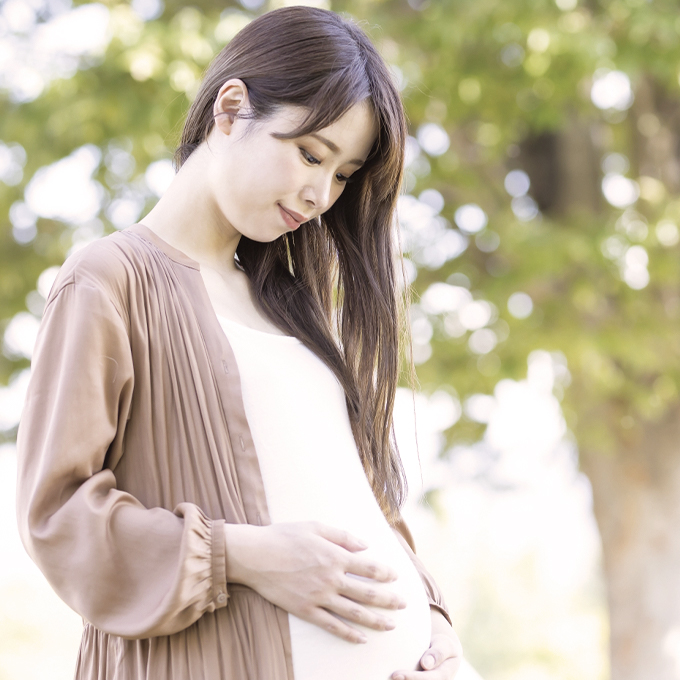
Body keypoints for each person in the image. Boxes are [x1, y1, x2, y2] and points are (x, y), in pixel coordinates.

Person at [16, 6, 462, 680]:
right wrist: (243, 555)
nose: (320, 194)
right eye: (310, 154)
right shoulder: (109, 279)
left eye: (343, 175)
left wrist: (430, 618)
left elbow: (362, 494)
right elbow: (58, 517)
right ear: (230, 110)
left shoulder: (294, 304)